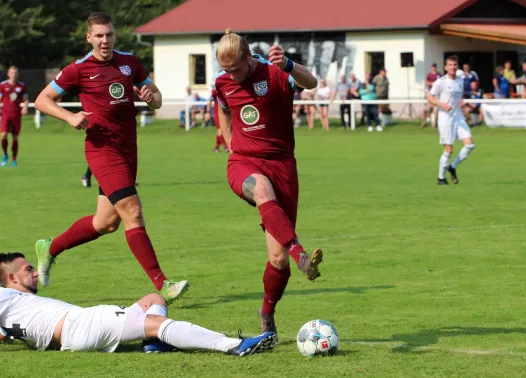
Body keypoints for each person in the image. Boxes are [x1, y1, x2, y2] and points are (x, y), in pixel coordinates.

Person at [33, 12, 189, 302]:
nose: (105, 40)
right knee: (133, 211)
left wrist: (150, 96)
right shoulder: (78, 69)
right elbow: (42, 100)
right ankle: (163, 283)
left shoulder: (129, 62)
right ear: (89, 37)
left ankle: (50, 248)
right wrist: (69, 117)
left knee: (106, 223)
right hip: (102, 150)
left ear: (115, 35)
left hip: (129, 148)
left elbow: (156, 99)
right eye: (99, 35)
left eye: (109, 34)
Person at [214, 30, 323, 334]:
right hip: (243, 164)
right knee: (261, 189)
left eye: (236, 67)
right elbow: (221, 106)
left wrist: (289, 64)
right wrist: (228, 140)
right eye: (226, 70)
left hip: (282, 165)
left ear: (249, 56)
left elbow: (311, 82)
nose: (231, 75)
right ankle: (300, 253)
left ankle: (266, 314)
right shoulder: (223, 81)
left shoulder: (275, 72)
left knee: (277, 261)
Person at [0, 253, 276, 355]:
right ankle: (234, 346)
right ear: (10, 278)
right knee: (155, 322)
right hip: (79, 324)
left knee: (153, 300)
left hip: (75, 329)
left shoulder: (15, 308)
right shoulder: (6, 297)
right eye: (28, 269)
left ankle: (154, 344)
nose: (35, 272)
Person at [427, 55, 476, 185]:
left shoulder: (460, 80)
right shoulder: (441, 81)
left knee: (470, 145)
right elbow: (430, 97)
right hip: (445, 118)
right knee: (449, 149)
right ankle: (441, 178)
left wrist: (461, 102)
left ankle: (452, 167)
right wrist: (442, 104)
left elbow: (458, 97)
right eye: (450, 65)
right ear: (446, 67)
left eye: (455, 65)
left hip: (458, 116)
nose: (453, 67)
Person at [0, 66, 28, 167]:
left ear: (18, 74)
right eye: (12, 73)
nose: (13, 74)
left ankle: (14, 159)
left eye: (15, 73)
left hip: (16, 115)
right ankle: (5, 155)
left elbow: (25, 99)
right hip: (5, 114)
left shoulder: (21, 86)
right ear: (8, 74)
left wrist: (25, 107)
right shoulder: (2, 85)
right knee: (3, 135)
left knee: (15, 137)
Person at [421, 63, 441, 128]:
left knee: (436, 109)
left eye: (435, 67)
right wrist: (432, 83)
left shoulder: (439, 74)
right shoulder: (429, 75)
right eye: (433, 67)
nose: (433, 68)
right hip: (431, 94)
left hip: (437, 94)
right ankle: (424, 122)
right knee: (423, 109)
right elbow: (426, 82)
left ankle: (434, 123)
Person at [209, 86, 228, 153]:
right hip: (217, 113)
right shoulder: (215, 91)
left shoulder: (226, 89)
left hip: (225, 113)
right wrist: (209, 111)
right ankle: (225, 146)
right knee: (220, 130)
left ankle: (216, 147)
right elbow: (210, 100)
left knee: (222, 130)